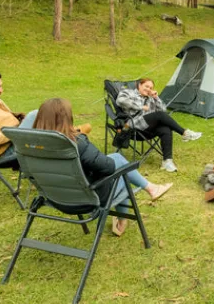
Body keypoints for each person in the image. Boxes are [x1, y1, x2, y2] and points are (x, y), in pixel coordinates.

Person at [32, 98, 172, 237]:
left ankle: (146, 194)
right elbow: (108, 168)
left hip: (54, 197)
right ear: (67, 119)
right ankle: (142, 198)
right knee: (121, 169)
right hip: (86, 199)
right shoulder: (77, 143)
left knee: (117, 160)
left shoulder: (31, 145)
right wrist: (82, 138)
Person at [115, 78, 201, 173]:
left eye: (151, 88)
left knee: (165, 129)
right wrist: (141, 107)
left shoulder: (150, 98)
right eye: (146, 86)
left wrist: (156, 98)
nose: (148, 89)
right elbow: (120, 101)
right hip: (132, 127)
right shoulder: (129, 93)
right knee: (159, 115)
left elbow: (163, 111)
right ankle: (184, 133)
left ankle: (167, 161)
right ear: (139, 85)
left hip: (147, 130)